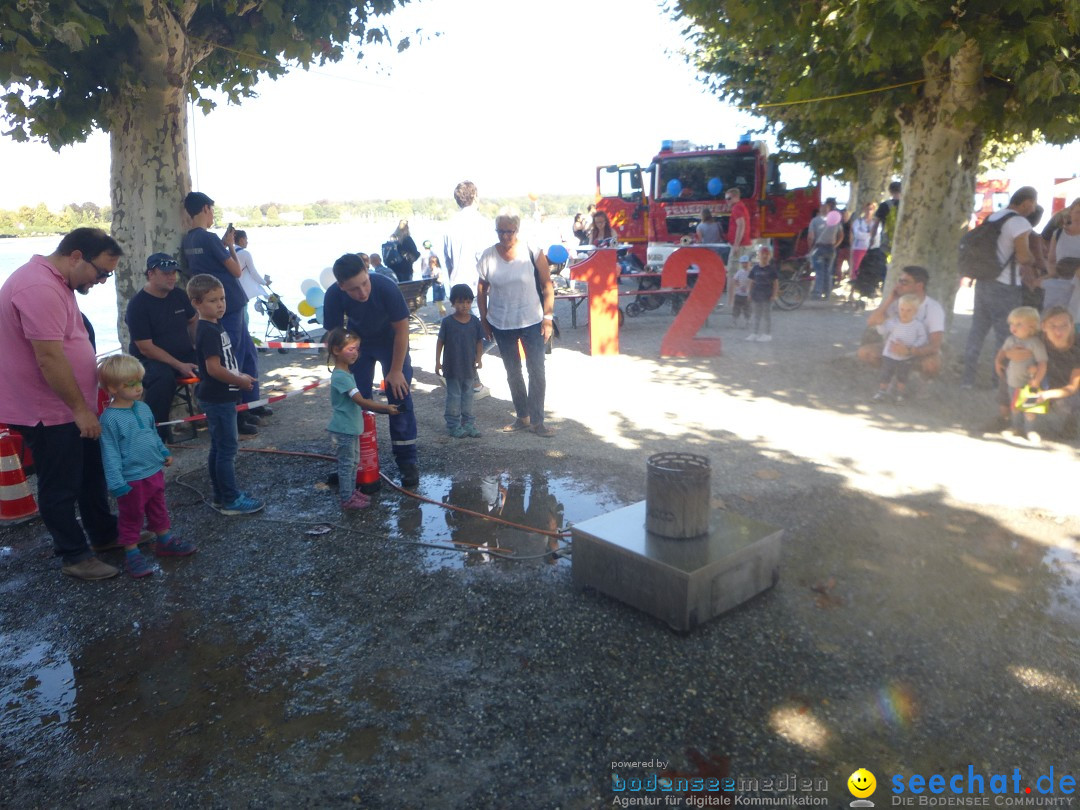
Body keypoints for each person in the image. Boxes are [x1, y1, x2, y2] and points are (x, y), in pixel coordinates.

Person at [0, 228, 122, 580]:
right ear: (76, 257)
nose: (102, 280)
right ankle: (73, 555)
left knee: (90, 474)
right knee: (61, 484)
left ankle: (103, 535)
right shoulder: (38, 287)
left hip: (69, 406)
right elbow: (50, 358)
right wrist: (80, 410)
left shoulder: (58, 282)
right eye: (102, 272)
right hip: (47, 411)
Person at [323, 253, 420, 488]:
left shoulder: (386, 287)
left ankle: (407, 462)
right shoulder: (334, 295)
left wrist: (395, 370)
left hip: (391, 342)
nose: (363, 292)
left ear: (368, 272)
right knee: (356, 401)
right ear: (341, 285)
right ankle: (356, 463)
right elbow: (335, 337)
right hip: (358, 345)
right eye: (354, 289)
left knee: (399, 395)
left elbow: (402, 330)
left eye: (365, 283)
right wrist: (343, 368)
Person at [97, 354, 196, 577]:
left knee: (158, 508)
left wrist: (163, 452)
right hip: (131, 478)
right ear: (112, 388)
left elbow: (151, 434)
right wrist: (116, 482)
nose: (137, 388)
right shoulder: (109, 419)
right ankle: (132, 554)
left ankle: (164, 540)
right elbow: (110, 452)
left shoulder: (143, 409)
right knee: (131, 516)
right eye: (129, 384)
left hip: (153, 471)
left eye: (139, 382)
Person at [181, 192, 265, 435]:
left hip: (218, 303)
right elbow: (237, 271)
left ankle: (252, 403)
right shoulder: (209, 239)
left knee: (246, 352)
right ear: (206, 209)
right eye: (211, 211)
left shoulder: (189, 240)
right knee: (236, 356)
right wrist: (228, 244)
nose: (212, 215)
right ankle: (239, 413)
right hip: (228, 301)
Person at [188, 273, 264, 515]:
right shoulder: (207, 330)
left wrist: (240, 376)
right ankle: (231, 499)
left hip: (223, 396)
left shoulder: (215, 324)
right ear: (196, 303)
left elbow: (226, 361)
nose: (220, 304)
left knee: (219, 448)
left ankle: (221, 495)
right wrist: (239, 380)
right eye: (212, 300)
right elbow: (213, 369)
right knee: (227, 449)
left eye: (222, 299)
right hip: (218, 398)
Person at [477, 211, 556, 437]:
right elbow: (482, 288)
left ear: (517, 230)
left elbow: (547, 285)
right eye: (500, 231)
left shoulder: (532, 250)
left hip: (531, 320)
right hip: (501, 322)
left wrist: (548, 319)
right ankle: (522, 417)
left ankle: (538, 421)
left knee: (537, 370)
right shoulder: (488, 256)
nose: (504, 236)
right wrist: (484, 318)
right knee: (513, 371)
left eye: (509, 231)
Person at [960, 186, 1039, 389]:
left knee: (977, 330)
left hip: (984, 281)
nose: (1033, 209)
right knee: (1005, 335)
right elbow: (1023, 256)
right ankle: (999, 381)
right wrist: (1035, 258)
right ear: (1027, 202)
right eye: (1033, 204)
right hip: (1006, 285)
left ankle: (967, 379)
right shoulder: (1020, 222)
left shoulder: (994, 217)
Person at [324, 327, 400, 510]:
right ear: (336, 350)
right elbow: (360, 401)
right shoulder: (341, 377)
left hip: (351, 428)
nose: (355, 353)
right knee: (346, 465)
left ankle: (350, 492)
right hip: (344, 429)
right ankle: (346, 498)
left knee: (353, 463)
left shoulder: (346, 374)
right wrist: (385, 408)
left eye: (357, 349)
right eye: (351, 349)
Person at [125, 252, 198, 442]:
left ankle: (234, 416)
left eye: (174, 272)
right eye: (166, 272)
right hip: (150, 360)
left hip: (183, 353)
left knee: (216, 361)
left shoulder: (179, 295)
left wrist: (199, 345)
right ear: (150, 274)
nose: (172, 276)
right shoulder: (138, 305)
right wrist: (179, 365)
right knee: (162, 378)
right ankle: (157, 437)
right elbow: (146, 347)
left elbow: (193, 320)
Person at [443, 180, 493, 398]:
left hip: (456, 286)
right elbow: (486, 258)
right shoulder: (482, 224)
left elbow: (447, 259)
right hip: (477, 286)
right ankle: (468, 378)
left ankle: (463, 375)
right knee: (490, 332)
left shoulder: (449, 225)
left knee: (465, 334)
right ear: (475, 197)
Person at [858, 265, 946, 378]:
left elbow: (935, 346)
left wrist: (909, 351)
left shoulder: (934, 308)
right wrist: (890, 299)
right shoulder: (897, 302)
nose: (898, 285)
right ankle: (889, 379)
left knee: (932, 364)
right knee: (865, 353)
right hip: (894, 347)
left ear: (919, 286)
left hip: (920, 350)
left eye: (904, 282)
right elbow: (871, 322)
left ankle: (923, 389)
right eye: (899, 281)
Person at [435, 283, 485, 438]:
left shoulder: (475, 321)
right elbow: (440, 341)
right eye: (460, 302)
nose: (464, 305)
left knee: (469, 396)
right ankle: (453, 425)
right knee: (454, 397)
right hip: (452, 367)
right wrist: (437, 362)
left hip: (469, 367)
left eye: (468, 302)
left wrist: (479, 358)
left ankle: (468, 423)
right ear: (453, 303)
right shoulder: (448, 322)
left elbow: (479, 341)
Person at [992, 306, 1047, 444]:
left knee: (1030, 408)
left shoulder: (1035, 343)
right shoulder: (1011, 340)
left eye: (1019, 324)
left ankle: (1030, 430)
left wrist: (1037, 379)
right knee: (1014, 406)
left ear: (1032, 326)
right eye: (1011, 324)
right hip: (1012, 381)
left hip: (1029, 382)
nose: (1013, 327)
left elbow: (1042, 362)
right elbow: (1003, 352)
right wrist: (998, 361)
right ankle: (1016, 427)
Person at [1030, 306, 1080, 439]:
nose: (1058, 331)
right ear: (1043, 326)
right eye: (1053, 326)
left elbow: (1073, 387)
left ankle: (1072, 421)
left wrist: (1047, 395)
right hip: (1045, 381)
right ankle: (1015, 421)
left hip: (1071, 389)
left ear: (1072, 326)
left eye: (1064, 325)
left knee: (1068, 403)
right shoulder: (1037, 340)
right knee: (1014, 376)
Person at [872, 293, 928, 403]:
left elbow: (923, 338)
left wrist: (913, 347)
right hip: (890, 354)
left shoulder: (917, 325)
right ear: (898, 309)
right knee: (886, 373)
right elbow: (882, 331)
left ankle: (899, 394)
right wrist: (879, 323)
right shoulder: (894, 322)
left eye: (909, 310)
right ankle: (882, 392)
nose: (904, 313)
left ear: (915, 311)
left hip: (907, 356)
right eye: (902, 309)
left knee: (903, 375)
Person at [746, 244, 779, 342]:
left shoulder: (772, 269)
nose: (764, 256)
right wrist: (749, 293)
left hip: (767, 295)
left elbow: (775, 283)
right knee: (756, 315)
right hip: (756, 295)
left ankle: (767, 334)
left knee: (766, 315)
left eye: (766, 254)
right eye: (762, 254)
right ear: (759, 255)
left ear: (769, 256)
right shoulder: (755, 268)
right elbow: (751, 281)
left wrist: (774, 294)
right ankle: (754, 333)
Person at [810, 203, 842, 299]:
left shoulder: (815, 221)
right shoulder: (836, 221)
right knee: (828, 271)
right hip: (831, 248)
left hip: (819, 248)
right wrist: (835, 245)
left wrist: (810, 248)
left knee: (819, 271)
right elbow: (841, 235)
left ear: (820, 210)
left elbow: (810, 237)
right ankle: (827, 294)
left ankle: (818, 293)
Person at [234, 230, 270, 301]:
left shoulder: (229, 251)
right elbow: (253, 272)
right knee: (243, 310)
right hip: (242, 289)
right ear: (241, 240)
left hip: (233, 287)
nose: (247, 242)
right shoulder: (245, 253)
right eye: (246, 239)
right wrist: (264, 283)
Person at [870, 181, 902, 259]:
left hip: (886, 240)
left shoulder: (884, 205)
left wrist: (872, 238)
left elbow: (875, 224)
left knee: (885, 261)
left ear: (890, 191)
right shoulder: (907, 205)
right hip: (903, 239)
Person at [725, 187, 752, 261]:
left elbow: (741, 225)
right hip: (743, 244)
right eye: (726, 199)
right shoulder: (741, 206)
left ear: (736, 197)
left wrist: (736, 244)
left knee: (733, 269)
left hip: (740, 246)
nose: (727, 201)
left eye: (729, 198)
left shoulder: (736, 208)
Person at [850, 202, 875, 278]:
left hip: (872, 248)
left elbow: (876, 234)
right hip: (859, 248)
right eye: (867, 209)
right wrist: (868, 234)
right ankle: (854, 283)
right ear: (864, 210)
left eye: (871, 209)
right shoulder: (858, 221)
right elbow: (857, 234)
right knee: (856, 267)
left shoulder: (875, 222)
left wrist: (865, 234)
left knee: (870, 268)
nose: (868, 211)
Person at [728, 253, 751, 328]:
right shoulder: (740, 272)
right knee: (736, 308)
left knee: (747, 308)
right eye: (743, 263)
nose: (744, 264)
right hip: (739, 293)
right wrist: (738, 285)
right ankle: (734, 320)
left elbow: (753, 281)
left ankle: (747, 321)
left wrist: (749, 288)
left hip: (747, 294)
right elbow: (734, 279)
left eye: (746, 263)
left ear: (749, 263)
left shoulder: (751, 272)